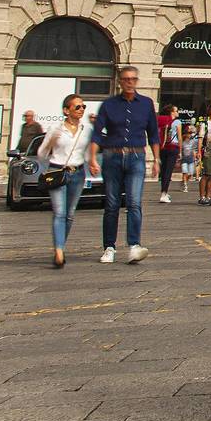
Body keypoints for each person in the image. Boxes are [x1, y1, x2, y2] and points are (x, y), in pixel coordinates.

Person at [88, 65, 159, 265]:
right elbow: (97, 132)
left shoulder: (146, 104)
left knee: (134, 203)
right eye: (126, 79)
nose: (129, 82)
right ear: (120, 81)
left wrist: (157, 159)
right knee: (111, 204)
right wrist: (93, 157)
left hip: (136, 157)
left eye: (133, 79)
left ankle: (134, 245)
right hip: (113, 157)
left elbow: (153, 133)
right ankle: (109, 247)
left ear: (137, 81)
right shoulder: (109, 105)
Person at [36, 94, 92, 268]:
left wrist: (93, 163)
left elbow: (89, 152)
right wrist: (49, 143)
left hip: (78, 173)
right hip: (58, 172)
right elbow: (41, 154)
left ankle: (61, 245)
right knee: (59, 213)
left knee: (70, 214)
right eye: (77, 107)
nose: (81, 109)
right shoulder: (56, 129)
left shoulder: (86, 129)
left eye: (83, 106)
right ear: (66, 110)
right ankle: (59, 251)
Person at [157, 104, 179, 204]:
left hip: (162, 147)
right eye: (176, 110)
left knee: (164, 171)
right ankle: (164, 193)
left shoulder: (161, 119)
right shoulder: (174, 121)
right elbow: (178, 137)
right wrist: (180, 150)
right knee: (168, 172)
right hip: (172, 147)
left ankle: (164, 192)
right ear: (172, 112)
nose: (177, 112)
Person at [178, 119, 199, 191]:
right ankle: (185, 186)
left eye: (191, 133)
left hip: (191, 159)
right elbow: (180, 148)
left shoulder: (192, 141)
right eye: (189, 133)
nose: (190, 134)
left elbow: (193, 150)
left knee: (190, 174)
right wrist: (179, 155)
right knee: (185, 172)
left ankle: (184, 181)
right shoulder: (182, 141)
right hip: (184, 159)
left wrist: (196, 158)